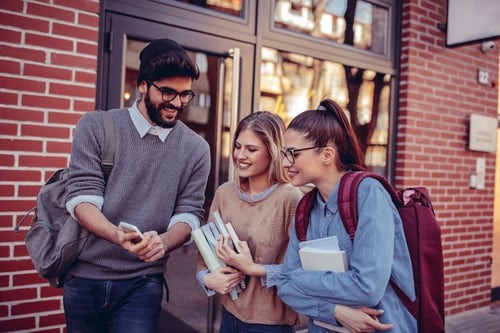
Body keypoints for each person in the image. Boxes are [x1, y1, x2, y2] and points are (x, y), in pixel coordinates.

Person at [219, 99, 415, 332]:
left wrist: (300, 278)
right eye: (283, 154)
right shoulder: (307, 207)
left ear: (327, 154)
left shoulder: (369, 194)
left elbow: (367, 287)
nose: (284, 162)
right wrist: (335, 311)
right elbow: (285, 287)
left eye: (293, 154)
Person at [64, 38, 211, 333]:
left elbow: (190, 213)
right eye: (167, 92)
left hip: (143, 282)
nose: (177, 103)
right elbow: (81, 199)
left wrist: (164, 241)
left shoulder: (197, 149)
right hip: (84, 277)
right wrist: (117, 235)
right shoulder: (96, 126)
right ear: (143, 85)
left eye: (185, 95)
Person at [196, 111, 303, 333]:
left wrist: (254, 269)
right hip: (228, 316)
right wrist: (206, 279)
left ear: (272, 152)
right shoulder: (225, 193)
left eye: (251, 149)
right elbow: (204, 254)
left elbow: (301, 270)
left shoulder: (290, 198)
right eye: (237, 146)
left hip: (271, 324)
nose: (240, 155)